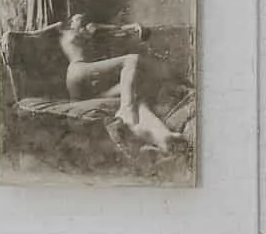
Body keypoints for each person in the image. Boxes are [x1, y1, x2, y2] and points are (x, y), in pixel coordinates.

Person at [48, 14, 178, 152]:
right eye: (77, 18)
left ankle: (162, 137)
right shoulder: (64, 31)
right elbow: (35, 33)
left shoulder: (89, 31)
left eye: (84, 19)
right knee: (132, 59)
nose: (82, 21)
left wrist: (133, 26)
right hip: (77, 71)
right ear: (71, 23)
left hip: (89, 92)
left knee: (136, 98)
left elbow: (116, 29)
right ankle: (126, 111)